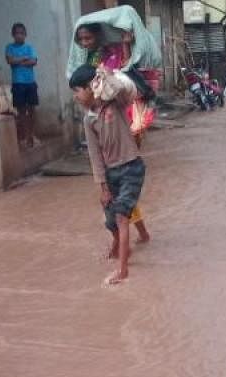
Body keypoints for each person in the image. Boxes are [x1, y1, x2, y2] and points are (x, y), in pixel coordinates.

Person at [69, 65, 149, 285]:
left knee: (123, 217)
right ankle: (122, 249)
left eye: (77, 91)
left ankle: (122, 271)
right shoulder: (89, 120)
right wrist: (103, 187)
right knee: (111, 219)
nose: (75, 97)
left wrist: (104, 76)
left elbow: (124, 89)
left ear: (91, 87)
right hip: (111, 173)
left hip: (132, 167)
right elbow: (95, 157)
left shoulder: (115, 103)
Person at [5, 23, 39, 148]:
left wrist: (18, 60)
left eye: (21, 33)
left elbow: (34, 61)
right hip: (18, 83)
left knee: (32, 110)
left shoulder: (29, 47)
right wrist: (24, 59)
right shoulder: (9, 47)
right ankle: (25, 137)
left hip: (30, 83)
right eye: (17, 33)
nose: (19, 35)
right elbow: (10, 61)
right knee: (21, 111)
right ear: (13, 35)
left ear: (25, 35)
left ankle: (32, 135)